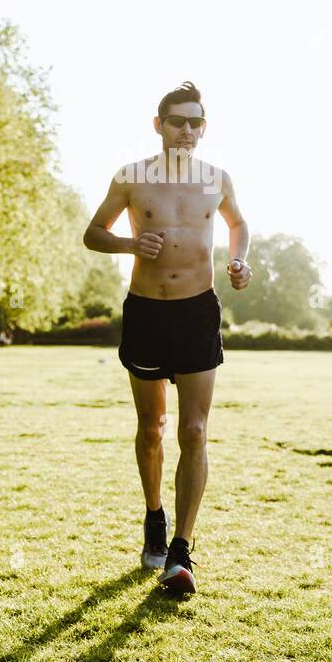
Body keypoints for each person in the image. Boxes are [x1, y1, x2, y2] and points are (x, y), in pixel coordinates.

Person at [83, 81, 252, 594]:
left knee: (194, 432)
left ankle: (181, 550)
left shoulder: (216, 179)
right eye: (178, 121)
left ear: (204, 127)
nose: (187, 130)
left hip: (198, 311)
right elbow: (93, 233)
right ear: (159, 125)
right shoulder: (131, 178)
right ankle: (154, 516)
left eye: (196, 122)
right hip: (146, 312)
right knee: (152, 427)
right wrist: (132, 243)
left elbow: (238, 224)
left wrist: (240, 260)